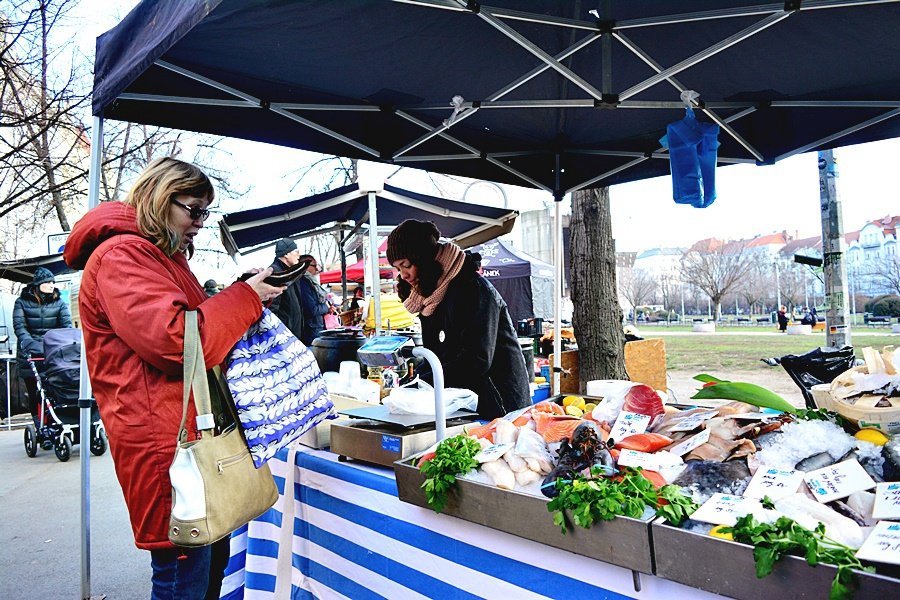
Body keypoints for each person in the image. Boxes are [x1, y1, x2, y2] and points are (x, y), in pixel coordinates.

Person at [63, 157, 284, 600]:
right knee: (183, 571)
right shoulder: (123, 255)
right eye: (195, 210)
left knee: (204, 563)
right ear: (162, 199)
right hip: (165, 439)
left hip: (182, 431)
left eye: (206, 212)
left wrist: (238, 296)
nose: (201, 223)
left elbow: (192, 321)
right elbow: (176, 341)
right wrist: (246, 297)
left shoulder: (156, 254)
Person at [386, 219, 530, 419]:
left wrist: (426, 381)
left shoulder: (474, 290)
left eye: (406, 265)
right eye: (398, 269)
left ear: (422, 257)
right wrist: (414, 380)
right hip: (465, 400)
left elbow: (477, 360)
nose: (403, 275)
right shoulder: (431, 296)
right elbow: (435, 354)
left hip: (499, 402)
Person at [12, 267, 73, 432]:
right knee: (34, 392)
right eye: (47, 282)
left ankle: (55, 422)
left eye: (53, 282)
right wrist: (31, 345)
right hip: (30, 353)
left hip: (52, 351)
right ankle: (39, 424)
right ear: (38, 284)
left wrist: (62, 343)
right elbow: (20, 327)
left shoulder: (59, 302)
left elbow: (66, 326)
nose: (51, 285)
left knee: (54, 389)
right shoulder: (22, 302)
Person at [268, 238, 305, 339]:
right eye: (296, 252)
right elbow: (272, 308)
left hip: (291, 333)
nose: (299, 255)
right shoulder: (277, 273)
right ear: (286, 254)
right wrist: (280, 335)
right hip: (284, 336)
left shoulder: (289, 272)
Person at [296, 255, 333, 345]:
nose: (317, 269)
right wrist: (326, 307)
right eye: (314, 266)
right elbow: (311, 309)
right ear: (306, 266)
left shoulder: (309, 281)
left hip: (315, 328)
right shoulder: (304, 282)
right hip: (311, 331)